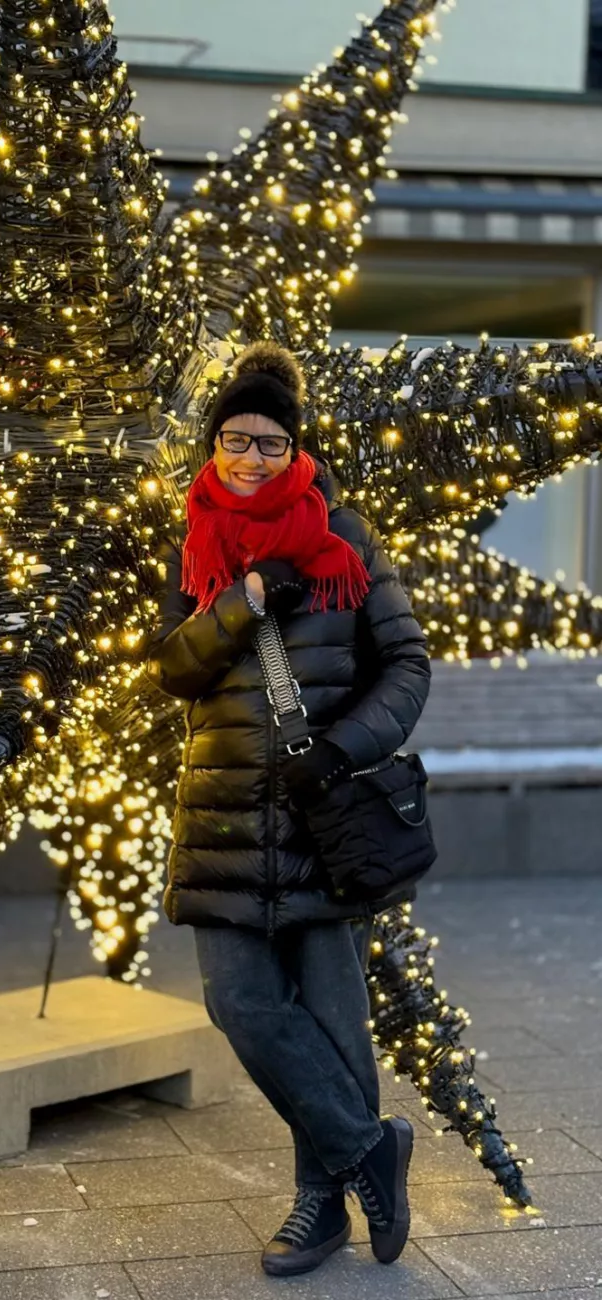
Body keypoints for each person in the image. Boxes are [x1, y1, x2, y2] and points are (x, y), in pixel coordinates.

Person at [145, 342, 431, 1277]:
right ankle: (367, 1151)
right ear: (215, 444)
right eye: (235, 440)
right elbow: (175, 667)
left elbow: (407, 665)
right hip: (224, 820)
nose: (251, 457)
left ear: (295, 446)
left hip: (323, 822)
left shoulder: (345, 537)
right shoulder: (194, 540)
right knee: (241, 1003)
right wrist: (248, 598)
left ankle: (320, 1205)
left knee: (336, 1022)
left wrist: (343, 750)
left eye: (269, 442)